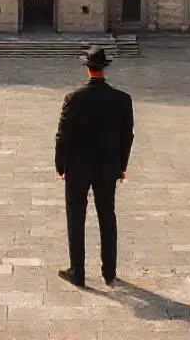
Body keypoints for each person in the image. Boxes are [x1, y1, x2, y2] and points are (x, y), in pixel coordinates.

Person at [55, 45, 134, 288]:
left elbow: (62, 135)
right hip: (108, 167)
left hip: (77, 167)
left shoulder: (74, 98)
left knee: (76, 216)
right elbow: (127, 136)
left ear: (87, 69)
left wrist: (60, 165)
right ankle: (109, 271)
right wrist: (122, 166)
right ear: (104, 69)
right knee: (107, 216)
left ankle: (77, 272)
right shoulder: (122, 99)